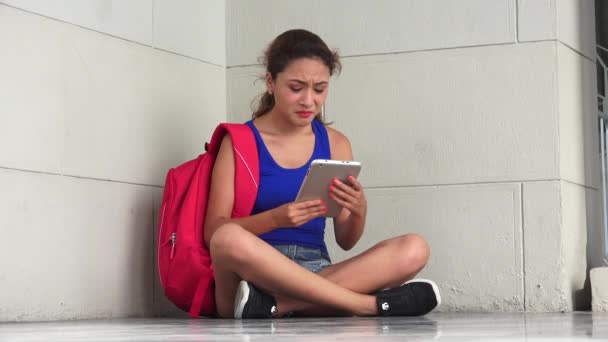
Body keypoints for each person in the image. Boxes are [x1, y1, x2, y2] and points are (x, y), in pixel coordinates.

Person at [203, 29, 441, 319]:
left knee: (415, 248)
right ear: (270, 82)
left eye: (319, 89)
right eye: (296, 87)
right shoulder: (239, 141)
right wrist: (276, 219)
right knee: (227, 237)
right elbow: (213, 232)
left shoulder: (336, 143)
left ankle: (279, 306)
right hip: (252, 279)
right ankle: (364, 305)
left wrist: (358, 210)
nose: (309, 101)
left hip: (317, 270)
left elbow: (346, 240)